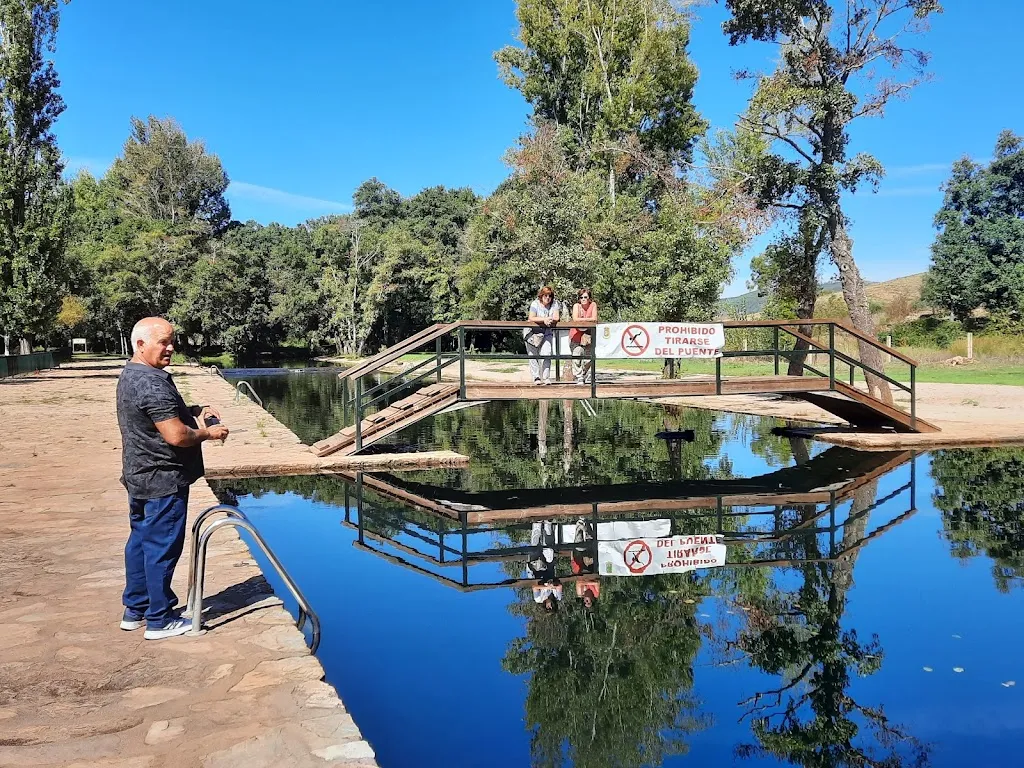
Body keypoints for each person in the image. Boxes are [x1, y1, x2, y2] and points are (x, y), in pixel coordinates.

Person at [116, 317, 229, 640]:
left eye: (171, 341)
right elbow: (177, 436)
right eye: (163, 342)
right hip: (162, 479)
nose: (170, 347)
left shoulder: (133, 374)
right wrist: (209, 432)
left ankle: (135, 609)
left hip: (140, 474)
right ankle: (160, 619)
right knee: (161, 549)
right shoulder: (152, 383)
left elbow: (157, 414)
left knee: (140, 542)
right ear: (140, 344)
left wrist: (194, 408)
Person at [524, 286, 560, 385]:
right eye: (545, 295)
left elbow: (556, 317)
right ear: (541, 295)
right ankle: (536, 377)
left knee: (547, 353)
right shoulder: (535, 303)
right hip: (532, 333)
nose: (547, 298)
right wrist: (544, 319)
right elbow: (531, 317)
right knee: (533, 355)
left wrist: (549, 319)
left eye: (550, 296)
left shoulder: (554, 304)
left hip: (547, 332)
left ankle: (546, 377)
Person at [569, 288, 598, 385]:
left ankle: (583, 374)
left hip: (588, 336)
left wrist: (584, 320)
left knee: (589, 358)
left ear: (589, 298)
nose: (583, 299)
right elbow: (575, 319)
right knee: (577, 354)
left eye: (585, 297)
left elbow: (595, 318)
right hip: (575, 335)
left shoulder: (593, 305)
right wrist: (588, 320)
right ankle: (579, 377)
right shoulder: (576, 306)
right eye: (581, 297)